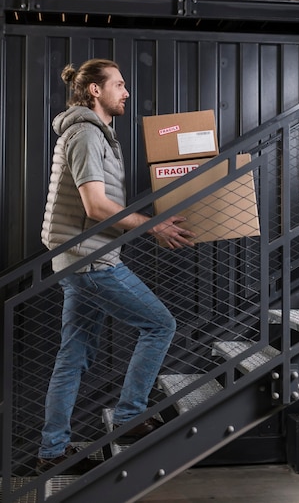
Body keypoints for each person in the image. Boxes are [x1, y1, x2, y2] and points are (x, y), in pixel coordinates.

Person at [37, 58, 195, 475]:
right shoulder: (87, 134)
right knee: (160, 325)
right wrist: (154, 226)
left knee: (73, 356)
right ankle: (129, 416)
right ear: (95, 90)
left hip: (78, 259)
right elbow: (96, 205)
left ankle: (53, 450)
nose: (126, 92)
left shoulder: (96, 133)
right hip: (91, 262)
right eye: (119, 85)